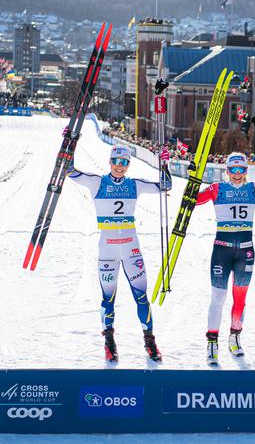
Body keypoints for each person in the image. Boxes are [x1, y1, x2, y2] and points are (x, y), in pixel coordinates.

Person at [67, 144, 172, 363]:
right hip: (108, 250)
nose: (119, 166)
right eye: (116, 161)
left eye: (124, 163)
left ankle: (150, 342)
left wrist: (164, 165)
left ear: (128, 165)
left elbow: (165, 186)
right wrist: (70, 142)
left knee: (141, 297)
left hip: (131, 249)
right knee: (108, 299)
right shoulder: (98, 183)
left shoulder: (135, 185)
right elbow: (70, 171)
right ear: (110, 162)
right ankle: (109, 343)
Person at [195, 152, 255, 365]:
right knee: (217, 298)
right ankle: (212, 343)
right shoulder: (217, 188)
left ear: (246, 171)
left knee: (240, 299)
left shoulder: (254, 188)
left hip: (245, 252)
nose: (237, 174)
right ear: (227, 171)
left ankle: (235, 337)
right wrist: (194, 178)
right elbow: (193, 201)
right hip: (221, 251)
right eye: (233, 170)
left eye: (241, 170)